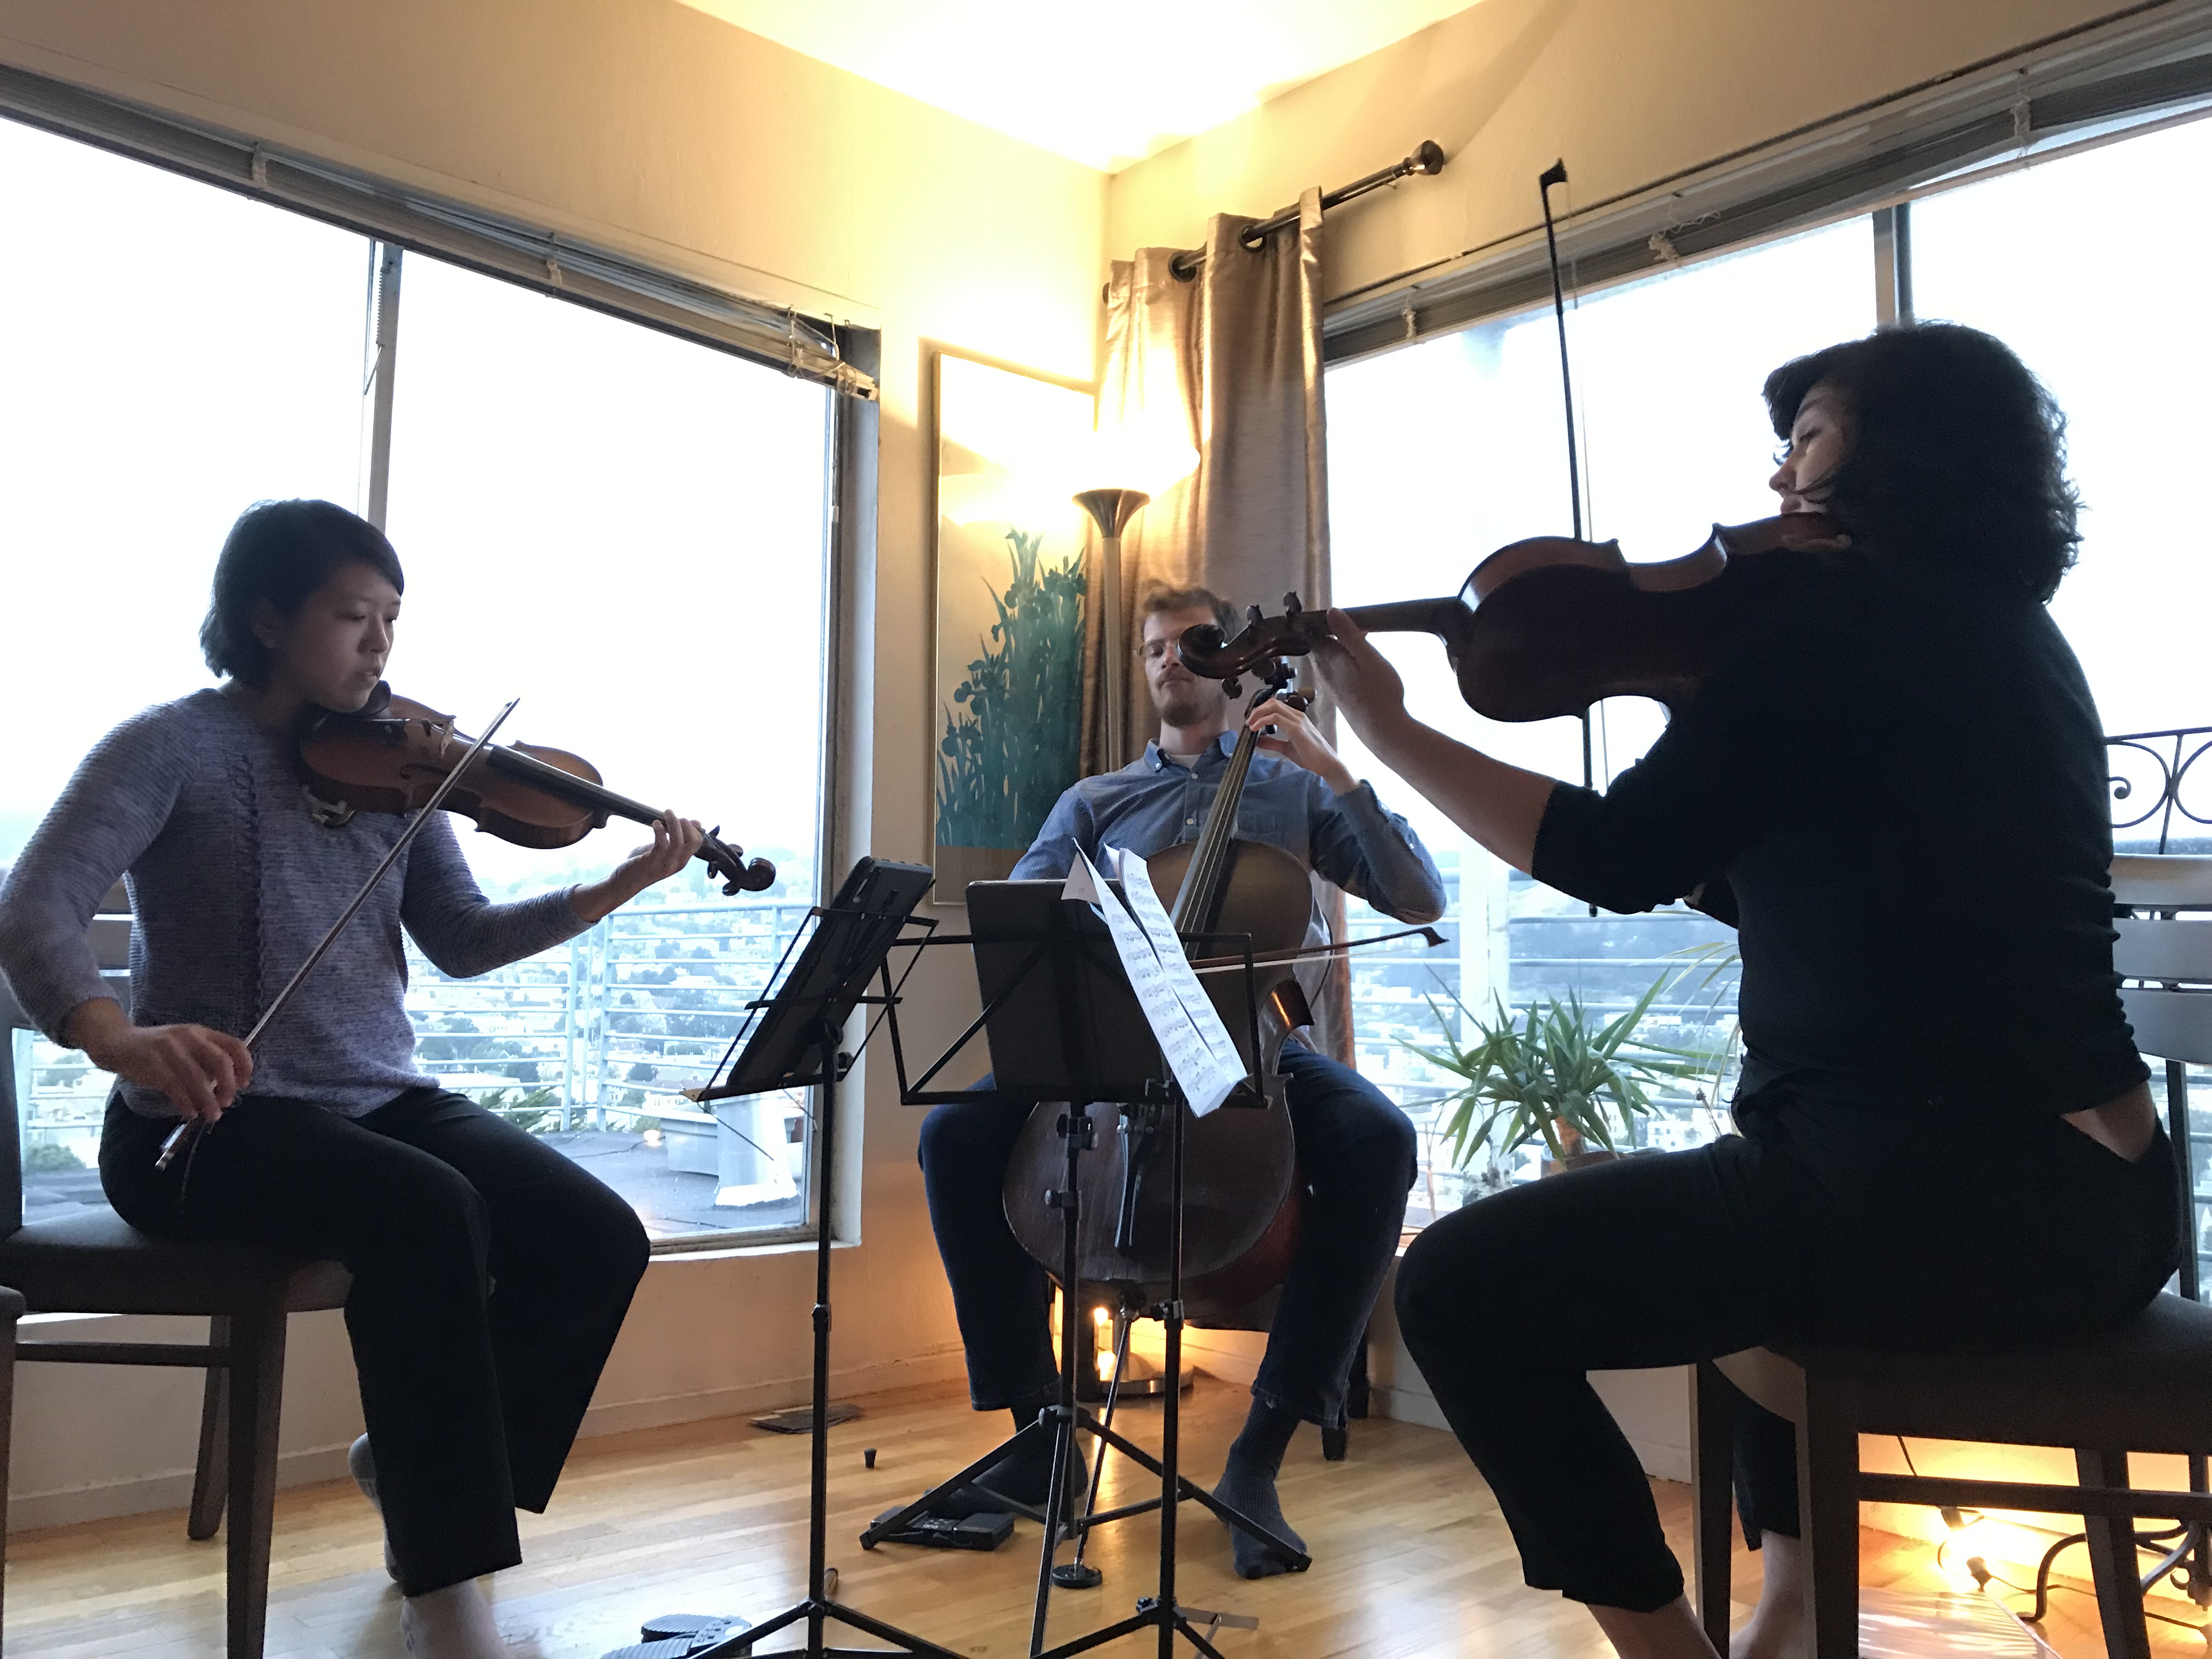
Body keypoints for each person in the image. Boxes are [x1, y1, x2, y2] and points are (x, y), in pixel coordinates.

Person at [1308, 322, 2180, 1659]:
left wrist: (1386, 731)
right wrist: (1707, 777)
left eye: (1811, 436)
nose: (1781, 477)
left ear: (1903, 448)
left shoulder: (1843, 631)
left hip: (1957, 1205)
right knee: (1748, 1196)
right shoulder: (2004, 632)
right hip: (2103, 1204)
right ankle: (1794, 1609)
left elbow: (1619, 857)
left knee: (1459, 1291)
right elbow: (1836, 888)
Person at [0, 500, 703, 1659]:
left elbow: (462, 939)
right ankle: (449, 1593)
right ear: (266, 619)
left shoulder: (400, 763)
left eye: (392, 619)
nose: (380, 646)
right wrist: (116, 1036)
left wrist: (604, 890)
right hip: (199, 1129)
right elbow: (34, 903)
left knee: (593, 1234)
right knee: (427, 1210)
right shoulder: (169, 747)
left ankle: (416, 1473)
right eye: (351, 617)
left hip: (379, 1097)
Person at [917, 584, 1446, 1579]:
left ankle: (1258, 1457)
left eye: (1192, 642)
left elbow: (1417, 895)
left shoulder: (1293, 789)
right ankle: (1037, 1434)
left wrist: (1334, 770)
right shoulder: (1096, 802)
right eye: (1154, 646)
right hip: (1116, 1039)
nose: (1170, 658)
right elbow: (1021, 922)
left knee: (1379, 1140)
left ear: (1232, 661)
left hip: (1255, 1042)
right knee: (953, 1135)